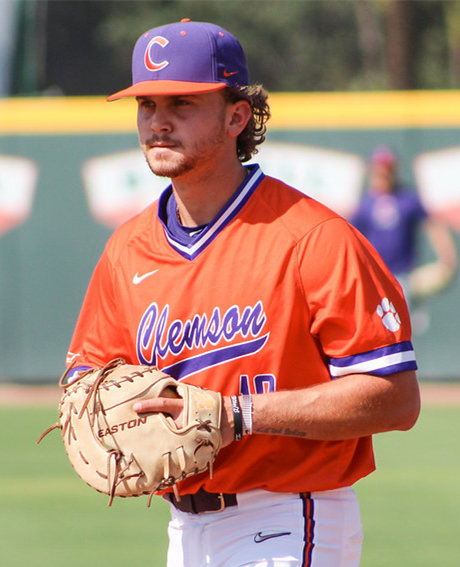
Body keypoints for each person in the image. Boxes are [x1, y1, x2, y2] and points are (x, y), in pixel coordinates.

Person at [66, 20, 420, 567]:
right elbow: (87, 375)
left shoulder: (314, 238)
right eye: (146, 106)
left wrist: (237, 413)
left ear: (237, 116)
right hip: (183, 529)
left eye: (182, 103)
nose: (159, 122)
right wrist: (94, 409)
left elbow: (396, 398)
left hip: (289, 514)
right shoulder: (127, 249)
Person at [350, 146, 457, 303]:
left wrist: (447, 258)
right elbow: (353, 240)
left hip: (404, 275)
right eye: (379, 169)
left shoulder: (408, 199)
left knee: (401, 321)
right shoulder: (364, 205)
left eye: (387, 169)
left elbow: (433, 225)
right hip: (374, 276)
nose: (383, 173)